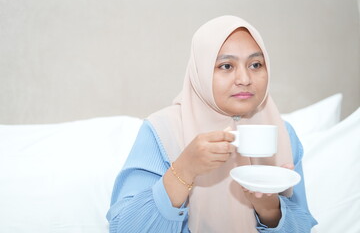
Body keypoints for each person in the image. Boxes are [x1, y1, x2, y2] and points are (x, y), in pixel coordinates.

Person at [106, 15, 317, 232]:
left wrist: (270, 209)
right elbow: (123, 227)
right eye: (226, 66)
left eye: (255, 64)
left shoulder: (283, 133)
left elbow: (303, 227)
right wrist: (184, 169)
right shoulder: (163, 131)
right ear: (201, 71)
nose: (244, 78)